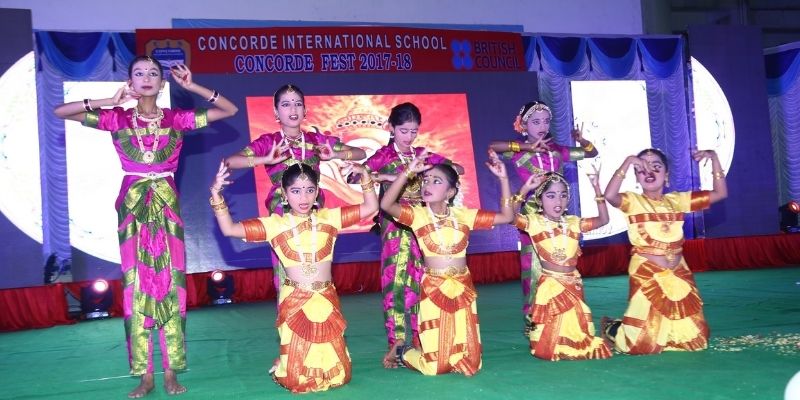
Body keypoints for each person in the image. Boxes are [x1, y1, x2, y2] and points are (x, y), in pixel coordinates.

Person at [53, 56, 239, 398]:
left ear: (162, 83)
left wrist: (193, 86)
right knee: (136, 287)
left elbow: (229, 110)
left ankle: (170, 372)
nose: (147, 77)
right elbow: (60, 112)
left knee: (171, 285)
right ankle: (145, 375)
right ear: (130, 82)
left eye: (153, 73)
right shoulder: (117, 118)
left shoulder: (176, 118)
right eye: (139, 73)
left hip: (167, 204)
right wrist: (107, 100)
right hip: (133, 206)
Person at [210, 161, 377, 393]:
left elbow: (370, 207)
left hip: (325, 296)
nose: (303, 197)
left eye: (309, 190)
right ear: (284, 194)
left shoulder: (330, 218)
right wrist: (216, 193)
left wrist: (365, 176)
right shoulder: (275, 225)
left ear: (317, 192)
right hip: (295, 298)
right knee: (297, 380)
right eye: (296, 191)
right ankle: (285, 362)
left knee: (340, 376)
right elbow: (229, 229)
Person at [379, 150, 513, 376]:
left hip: (462, 288)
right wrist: (408, 172)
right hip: (434, 289)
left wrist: (504, 179)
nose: (427, 184)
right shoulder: (418, 215)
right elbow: (386, 204)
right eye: (426, 180)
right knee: (434, 367)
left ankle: (437, 352)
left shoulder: (464, 216)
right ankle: (402, 351)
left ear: (450, 192)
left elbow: (507, 217)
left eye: (436, 181)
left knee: (471, 363)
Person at [224, 84, 366, 292]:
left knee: (319, 267)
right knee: (286, 272)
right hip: (283, 215)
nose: (293, 109)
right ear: (276, 112)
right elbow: (230, 161)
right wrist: (265, 159)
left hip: (315, 213)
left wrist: (336, 155)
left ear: (305, 110)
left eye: (298, 104)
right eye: (286, 105)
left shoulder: (316, 140)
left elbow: (360, 153)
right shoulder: (270, 142)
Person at [353, 102, 463, 368]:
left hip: (422, 225)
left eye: (414, 131)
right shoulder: (384, 155)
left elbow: (457, 169)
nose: (409, 137)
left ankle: (421, 339)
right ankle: (397, 343)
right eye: (404, 131)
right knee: (396, 284)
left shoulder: (422, 155)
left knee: (421, 281)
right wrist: (388, 177)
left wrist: (430, 170)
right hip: (395, 226)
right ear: (391, 128)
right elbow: (355, 177)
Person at [601, 148, 728, 354]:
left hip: (678, 271)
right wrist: (627, 162)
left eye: (656, 166)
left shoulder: (678, 200)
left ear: (666, 175)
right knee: (640, 345)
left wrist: (714, 158)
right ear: (637, 177)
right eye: (642, 168)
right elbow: (609, 195)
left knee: (695, 341)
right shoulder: (632, 201)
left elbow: (720, 193)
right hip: (646, 273)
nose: (649, 171)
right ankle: (613, 329)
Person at [489, 101, 598, 337]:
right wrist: (526, 147)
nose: (542, 126)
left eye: (546, 121)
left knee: (561, 263)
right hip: (531, 216)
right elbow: (493, 148)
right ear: (524, 125)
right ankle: (533, 320)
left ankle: (563, 317)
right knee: (533, 268)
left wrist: (581, 140)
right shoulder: (518, 151)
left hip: (558, 214)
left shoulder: (557, 150)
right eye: (536, 121)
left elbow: (591, 153)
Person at [511, 171, 612, 361]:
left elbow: (603, 220)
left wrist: (597, 189)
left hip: (572, 283)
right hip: (550, 285)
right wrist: (525, 189)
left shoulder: (574, 222)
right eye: (551, 196)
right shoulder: (534, 222)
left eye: (563, 195)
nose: (558, 201)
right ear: (540, 200)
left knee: (580, 335)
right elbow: (511, 216)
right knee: (547, 345)